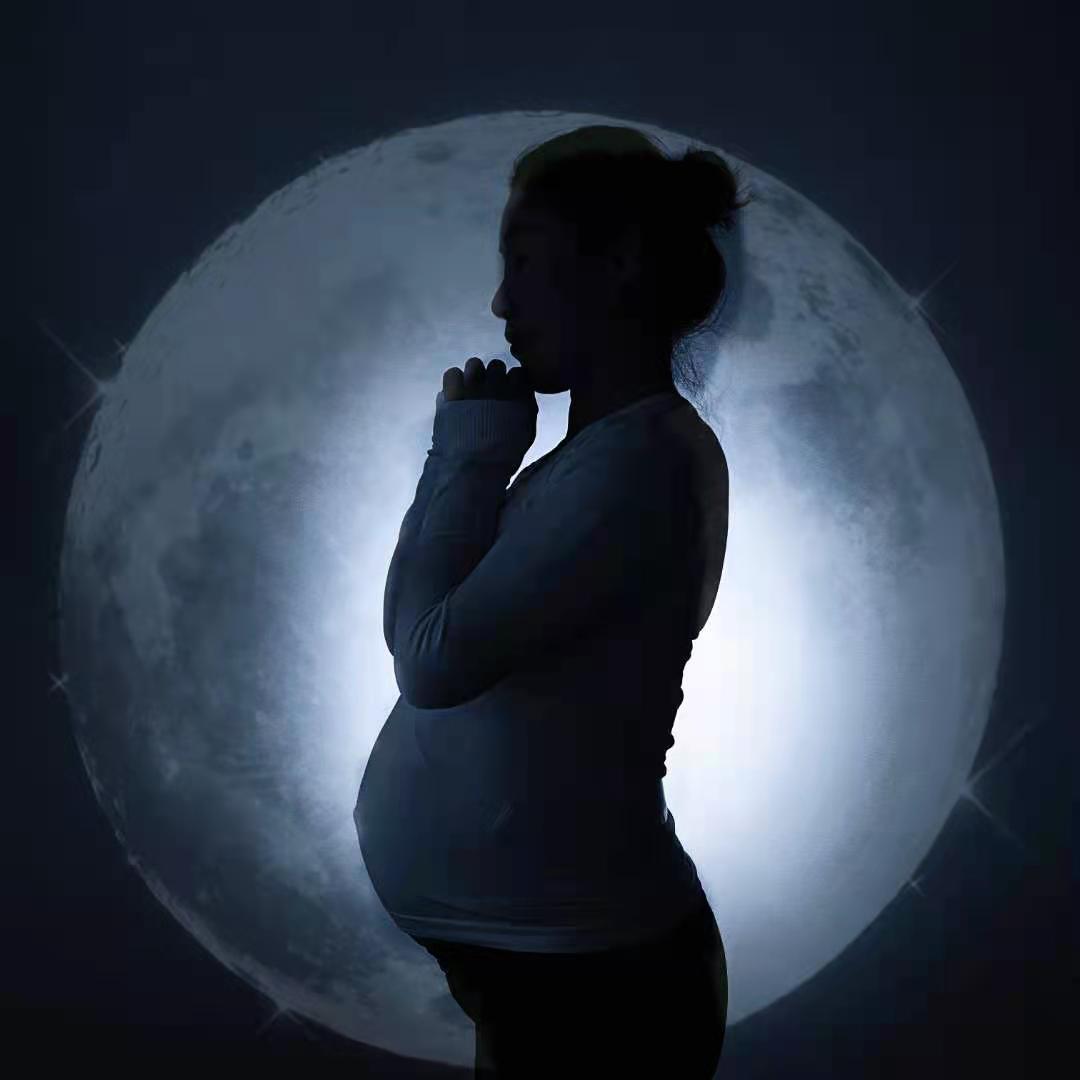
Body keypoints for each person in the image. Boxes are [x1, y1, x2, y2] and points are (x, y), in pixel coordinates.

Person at [354, 124, 751, 1077]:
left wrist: (467, 458)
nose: (502, 301)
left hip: (594, 982)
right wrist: (467, 459)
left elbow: (430, 662)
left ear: (619, 264)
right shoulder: (590, 459)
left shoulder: (640, 464)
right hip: (555, 967)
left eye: (524, 261)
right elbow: (417, 628)